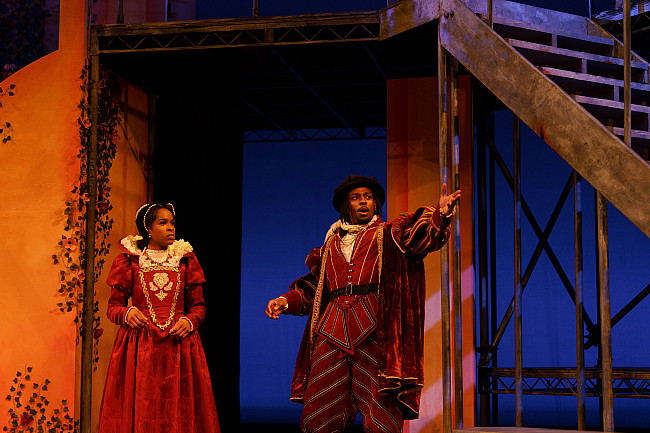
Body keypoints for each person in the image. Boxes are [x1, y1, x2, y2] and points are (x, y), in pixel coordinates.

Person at [265, 175, 461, 433]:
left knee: (381, 415)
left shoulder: (389, 234)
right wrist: (285, 301)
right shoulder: (329, 245)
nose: (363, 202)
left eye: (368, 197)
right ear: (346, 205)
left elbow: (418, 237)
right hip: (331, 333)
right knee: (320, 413)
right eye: (356, 198)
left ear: (375, 203)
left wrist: (440, 216)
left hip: (374, 332)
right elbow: (316, 288)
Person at [98, 203, 220, 433]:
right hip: (139, 348)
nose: (170, 228)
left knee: (178, 410)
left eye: (172, 222)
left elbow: (199, 306)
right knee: (143, 407)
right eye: (162, 223)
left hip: (179, 347)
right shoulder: (129, 261)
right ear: (148, 229)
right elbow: (113, 307)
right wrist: (127, 313)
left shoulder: (185, 260)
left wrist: (189, 321)